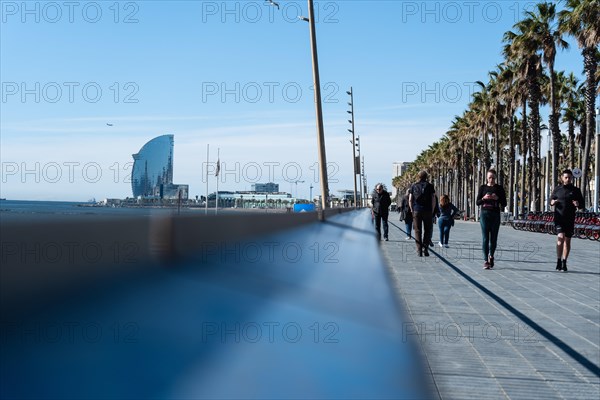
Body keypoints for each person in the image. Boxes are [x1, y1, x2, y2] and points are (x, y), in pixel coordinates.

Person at [550, 169, 585, 272]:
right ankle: (558, 260)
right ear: (562, 178)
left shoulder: (576, 190)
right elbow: (551, 200)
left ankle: (564, 262)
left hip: (570, 219)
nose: (568, 179)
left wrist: (578, 204)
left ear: (572, 178)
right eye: (566, 177)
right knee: (560, 238)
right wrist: (552, 202)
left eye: (569, 177)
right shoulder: (557, 189)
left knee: (567, 241)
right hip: (559, 218)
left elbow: (582, 204)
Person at [476, 168, 507, 270]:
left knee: (493, 238)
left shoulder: (499, 188)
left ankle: (491, 256)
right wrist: (484, 198)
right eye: (489, 178)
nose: (491, 180)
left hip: (495, 214)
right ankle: (485, 260)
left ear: (495, 178)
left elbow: (504, 203)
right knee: (485, 238)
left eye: (493, 178)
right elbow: (477, 202)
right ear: (486, 178)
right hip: (485, 214)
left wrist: (496, 198)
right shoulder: (482, 188)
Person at [409, 171, 436, 257]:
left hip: (417, 210)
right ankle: (425, 248)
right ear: (426, 177)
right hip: (427, 210)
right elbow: (433, 199)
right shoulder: (430, 186)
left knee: (417, 231)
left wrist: (412, 209)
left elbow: (410, 199)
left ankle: (419, 250)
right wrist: (432, 210)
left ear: (418, 176)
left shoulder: (413, 186)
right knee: (428, 230)